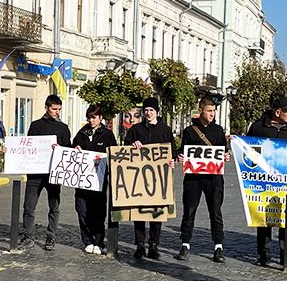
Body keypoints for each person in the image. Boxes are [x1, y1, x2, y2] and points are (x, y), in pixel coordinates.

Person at [247, 96, 287, 266]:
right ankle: (263, 255)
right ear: (278, 112)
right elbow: (248, 150)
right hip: (264, 181)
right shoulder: (258, 127)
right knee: (264, 218)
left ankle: (286, 256)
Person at [175, 97, 229, 263]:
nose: (212, 114)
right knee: (189, 210)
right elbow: (182, 150)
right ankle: (185, 244)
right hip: (194, 178)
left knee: (216, 211)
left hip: (214, 178)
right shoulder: (190, 131)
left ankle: (218, 246)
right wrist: (180, 155)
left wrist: (227, 155)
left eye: (214, 111)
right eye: (209, 111)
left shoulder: (219, 131)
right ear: (201, 111)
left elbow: (224, 151)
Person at [18, 94, 73, 251]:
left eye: (59, 109)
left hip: (54, 173)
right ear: (46, 107)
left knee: (54, 206)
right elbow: (27, 146)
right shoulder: (35, 125)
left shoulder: (63, 128)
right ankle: (28, 236)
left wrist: (60, 148)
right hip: (35, 173)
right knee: (29, 206)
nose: (57, 112)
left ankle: (51, 237)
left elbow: (68, 150)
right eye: (54, 109)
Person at [124, 97, 175, 260]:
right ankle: (140, 245)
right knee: (138, 212)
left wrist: (171, 161)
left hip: (159, 178)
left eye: (151, 110)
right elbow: (125, 148)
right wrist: (132, 146)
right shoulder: (135, 129)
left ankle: (154, 245)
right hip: (139, 177)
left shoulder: (165, 130)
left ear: (157, 112)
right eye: (146, 110)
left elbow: (171, 151)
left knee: (156, 213)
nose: (148, 113)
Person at [72, 104, 117, 254]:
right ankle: (87, 240)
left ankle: (98, 241)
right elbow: (71, 152)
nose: (91, 120)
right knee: (82, 210)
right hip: (82, 181)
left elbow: (114, 155)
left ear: (100, 118)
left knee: (98, 212)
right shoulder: (81, 133)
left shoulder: (108, 135)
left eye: (94, 117)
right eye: (89, 117)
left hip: (99, 181)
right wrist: (75, 149)